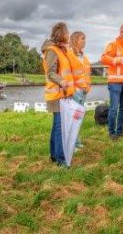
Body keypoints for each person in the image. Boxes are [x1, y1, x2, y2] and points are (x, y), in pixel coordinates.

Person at [41, 22, 75, 167]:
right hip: (57, 95)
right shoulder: (52, 50)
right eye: (67, 32)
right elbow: (51, 72)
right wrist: (62, 82)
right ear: (62, 34)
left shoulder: (61, 50)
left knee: (58, 126)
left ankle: (55, 156)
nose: (69, 35)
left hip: (62, 94)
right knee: (60, 127)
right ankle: (61, 160)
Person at [68, 31, 92, 149]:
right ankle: (73, 143)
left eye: (85, 39)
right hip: (75, 91)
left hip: (83, 91)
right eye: (82, 38)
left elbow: (87, 75)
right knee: (73, 117)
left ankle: (76, 142)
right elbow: (67, 74)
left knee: (78, 118)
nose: (84, 41)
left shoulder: (85, 58)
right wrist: (73, 89)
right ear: (75, 40)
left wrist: (88, 87)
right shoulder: (69, 56)